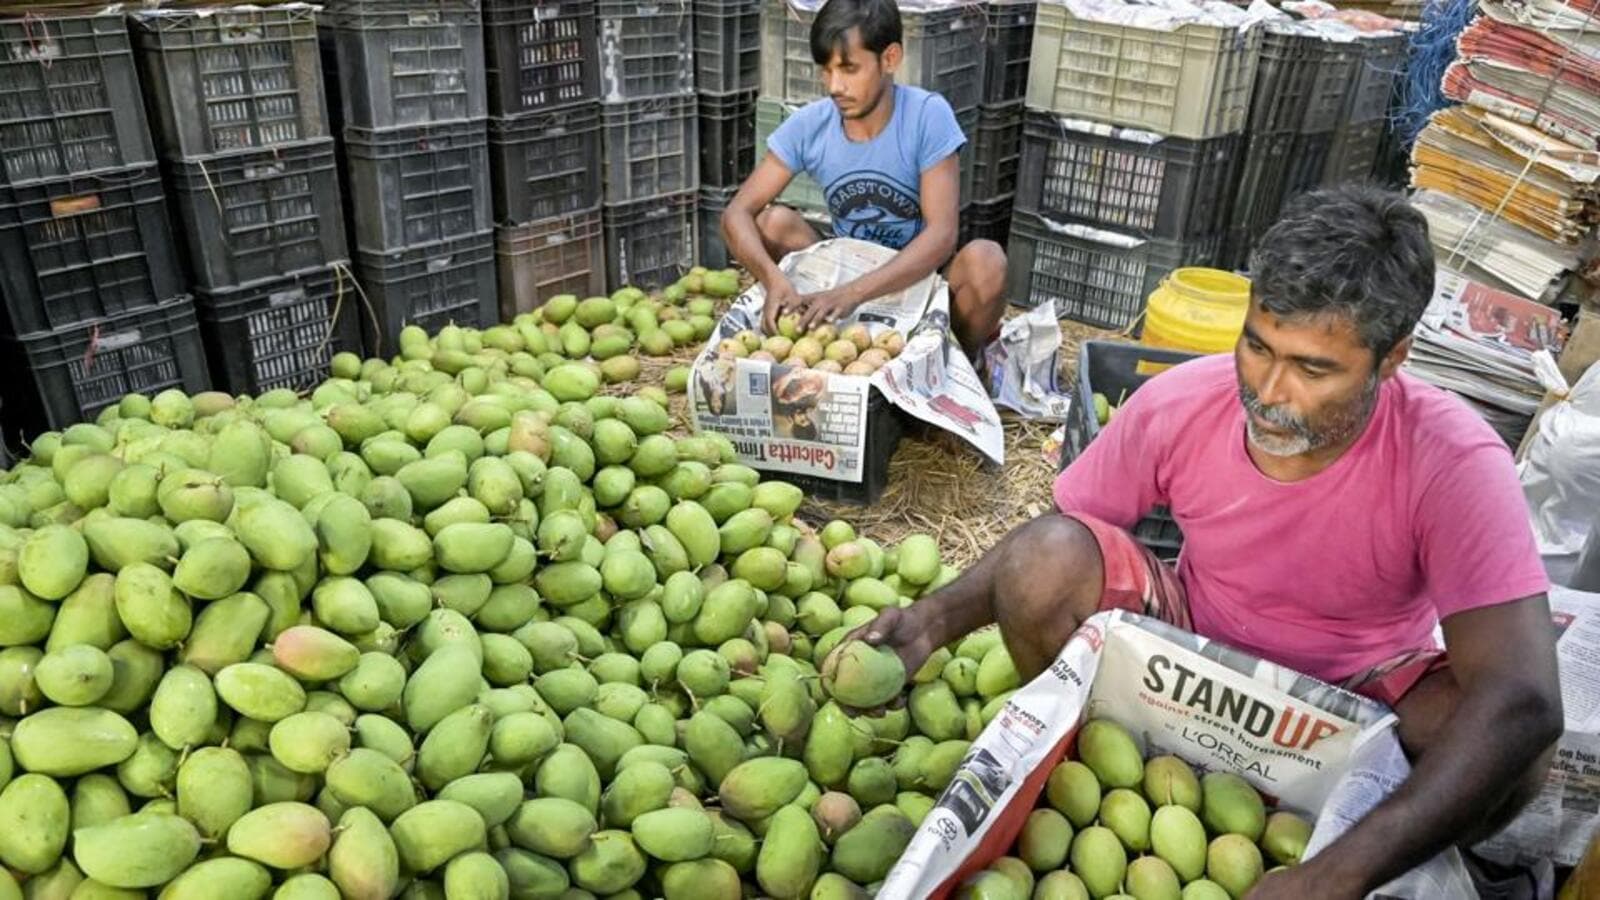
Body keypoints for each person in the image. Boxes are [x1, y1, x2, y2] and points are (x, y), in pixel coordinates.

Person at [850, 185, 1564, 897]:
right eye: (1258, 345)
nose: (1270, 390)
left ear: (1391, 358)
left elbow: (1524, 698)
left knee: (1512, 748)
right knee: (1046, 563)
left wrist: (1330, 878)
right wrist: (931, 621)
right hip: (1195, 649)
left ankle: (1390, 852)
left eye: (1315, 368)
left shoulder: (1452, 458)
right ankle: (1082, 773)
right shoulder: (1183, 402)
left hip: (1361, 692)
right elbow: (1050, 543)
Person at [719, 0, 1008, 360]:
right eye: (826, 71)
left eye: (849, 69)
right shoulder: (810, 125)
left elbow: (942, 236)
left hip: (919, 282)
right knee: (772, 223)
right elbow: (737, 213)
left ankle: (953, 363)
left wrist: (851, 294)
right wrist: (772, 280)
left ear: (889, 59)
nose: (834, 86)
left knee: (987, 261)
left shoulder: (926, 115)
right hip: (845, 271)